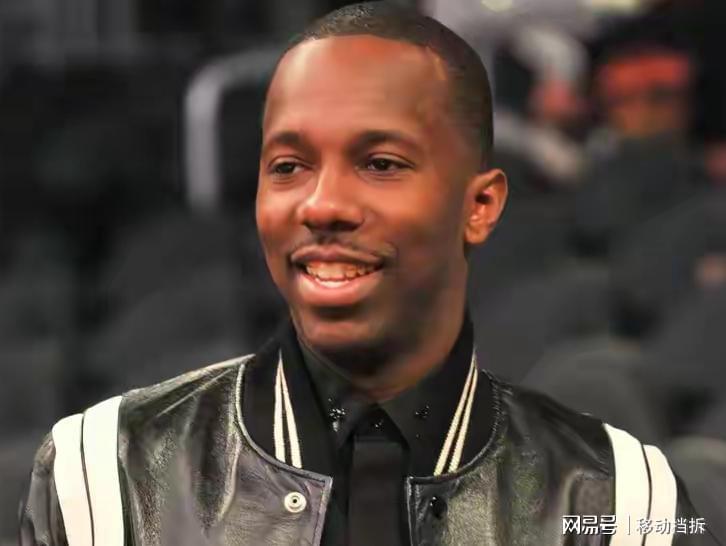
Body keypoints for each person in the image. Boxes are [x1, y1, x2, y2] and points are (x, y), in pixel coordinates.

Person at [18, 2, 719, 545]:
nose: (322, 205)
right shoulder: (103, 474)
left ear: (479, 206)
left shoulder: (623, 499)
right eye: (288, 166)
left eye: (381, 164)